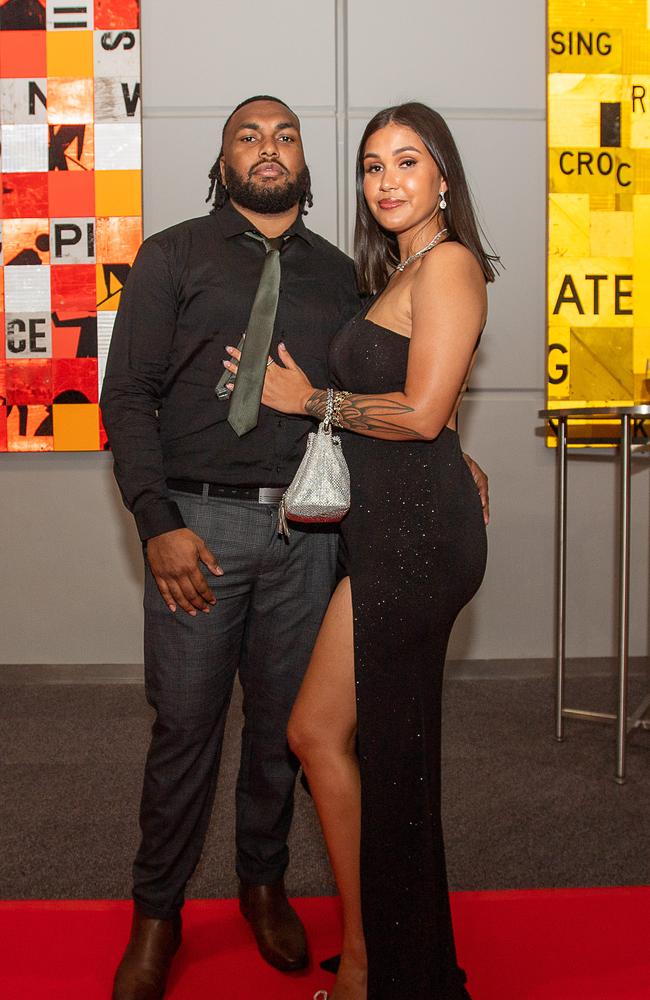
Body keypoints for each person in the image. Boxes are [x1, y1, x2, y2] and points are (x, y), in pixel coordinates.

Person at [100, 95, 489, 1000]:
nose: (268, 150)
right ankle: (156, 914)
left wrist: (451, 450)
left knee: (290, 734)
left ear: (306, 164)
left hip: (313, 534)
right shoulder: (172, 256)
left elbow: (396, 377)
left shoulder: (343, 273)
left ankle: (264, 885)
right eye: (249, 136)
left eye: (287, 137)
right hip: (200, 529)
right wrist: (157, 523)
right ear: (224, 159)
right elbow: (127, 400)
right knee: (186, 728)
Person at [226, 101, 497, 1000]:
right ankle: (380, 957)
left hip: (420, 541)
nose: (387, 180)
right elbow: (432, 405)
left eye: (407, 162)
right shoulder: (402, 271)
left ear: (444, 177)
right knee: (321, 732)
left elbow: (418, 415)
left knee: (397, 755)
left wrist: (309, 402)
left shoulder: (450, 264)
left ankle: (393, 976)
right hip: (386, 531)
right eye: (373, 166)